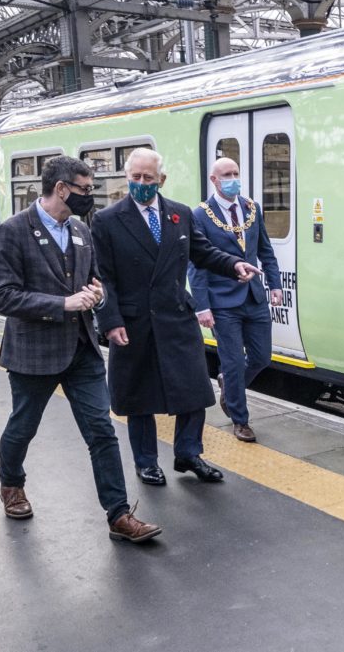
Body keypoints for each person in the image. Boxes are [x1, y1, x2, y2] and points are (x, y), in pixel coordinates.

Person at [0, 155, 160, 544]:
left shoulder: (82, 230)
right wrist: (61, 304)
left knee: (102, 429)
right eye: (85, 189)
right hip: (35, 351)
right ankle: (11, 483)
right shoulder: (13, 230)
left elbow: (93, 278)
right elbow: (0, 296)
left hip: (82, 349)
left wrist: (97, 295)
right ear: (62, 188)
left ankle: (119, 514)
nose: (90, 197)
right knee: (23, 425)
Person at [91, 148, 260, 486]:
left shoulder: (180, 215)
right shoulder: (107, 220)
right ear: (127, 178)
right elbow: (102, 275)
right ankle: (146, 461)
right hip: (133, 321)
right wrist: (109, 320)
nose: (141, 183)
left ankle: (188, 453)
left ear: (161, 180)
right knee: (140, 398)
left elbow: (202, 252)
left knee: (195, 389)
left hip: (175, 316)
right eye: (135, 177)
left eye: (148, 178)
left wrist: (232, 264)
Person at [188, 158, 283, 443]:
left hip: (254, 296)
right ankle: (240, 420)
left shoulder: (252, 208)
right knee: (232, 362)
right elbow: (197, 264)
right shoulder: (200, 215)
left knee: (261, 357)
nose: (233, 179)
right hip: (221, 301)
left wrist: (275, 284)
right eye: (226, 175)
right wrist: (202, 306)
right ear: (214, 180)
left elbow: (265, 250)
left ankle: (229, 388)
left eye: (236, 174)